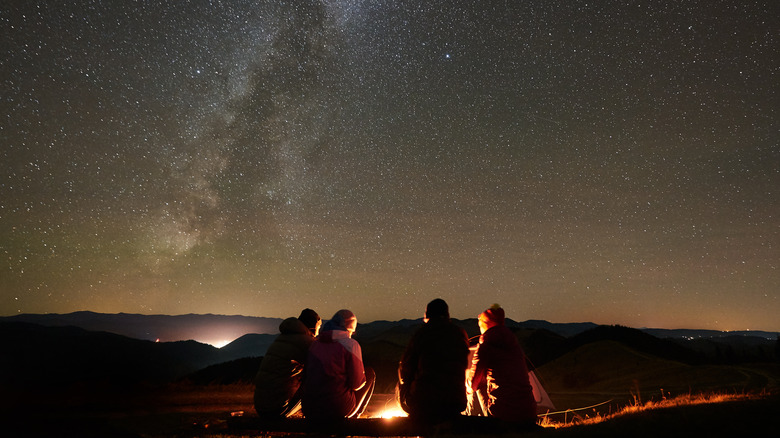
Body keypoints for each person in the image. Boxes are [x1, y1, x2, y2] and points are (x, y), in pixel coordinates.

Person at [398, 298, 470, 423]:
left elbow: (406, 367)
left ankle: (413, 419)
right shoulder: (460, 334)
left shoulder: (422, 333)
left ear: (427, 315)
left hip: (425, 403)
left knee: (402, 381)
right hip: (456, 402)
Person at [302, 309, 375, 421]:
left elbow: (306, 377)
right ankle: (354, 417)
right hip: (337, 409)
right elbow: (357, 384)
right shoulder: (351, 345)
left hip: (310, 409)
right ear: (350, 328)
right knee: (369, 374)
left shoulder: (314, 345)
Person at [468, 304, 537, 424]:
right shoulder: (514, 345)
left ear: (485, 325)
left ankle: (481, 419)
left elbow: (473, 384)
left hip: (503, 416)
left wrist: (465, 388)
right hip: (529, 414)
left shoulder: (485, 346)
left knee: (479, 382)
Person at [253, 308, 321, 419]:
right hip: (277, 409)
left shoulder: (282, 338)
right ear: (314, 326)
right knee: (319, 378)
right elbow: (323, 366)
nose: (318, 332)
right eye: (319, 327)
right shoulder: (307, 342)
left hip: (261, 407)